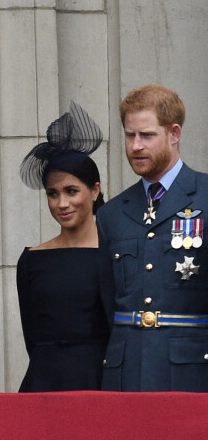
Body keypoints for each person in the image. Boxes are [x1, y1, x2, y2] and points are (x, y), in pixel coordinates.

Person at [97, 84, 208, 392]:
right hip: (127, 374)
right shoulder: (112, 213)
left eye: (146, 135)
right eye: (130, 135)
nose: (135, 146)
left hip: (191, 374)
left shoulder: (205, 196)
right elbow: (109, 302)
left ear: (174, 134)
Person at [16, 102, 111, 392]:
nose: (62, 204)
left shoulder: (115, 253)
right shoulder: (32, 260)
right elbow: (32, 337)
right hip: (43, 388)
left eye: (72, 191)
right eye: (53, 194)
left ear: (95, 190)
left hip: (102, 386)